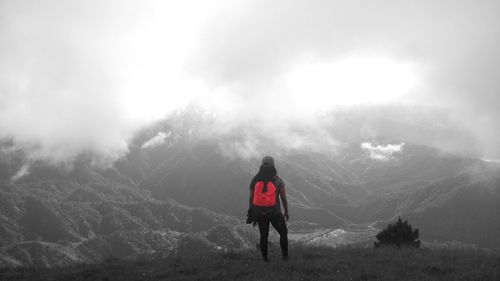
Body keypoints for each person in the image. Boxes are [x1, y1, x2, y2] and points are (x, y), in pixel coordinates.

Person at [248, 156, 289, 262]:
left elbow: (251, 197)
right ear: (273, 165)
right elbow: (283, 197)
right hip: (275, 212)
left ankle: (265, 260)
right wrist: (286, 211)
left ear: (261, 165)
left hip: (260, 213)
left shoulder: (255, 179)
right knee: (283, 233)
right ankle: (285, 257)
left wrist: (252, 211)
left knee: (263, 236)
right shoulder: (278, 180)